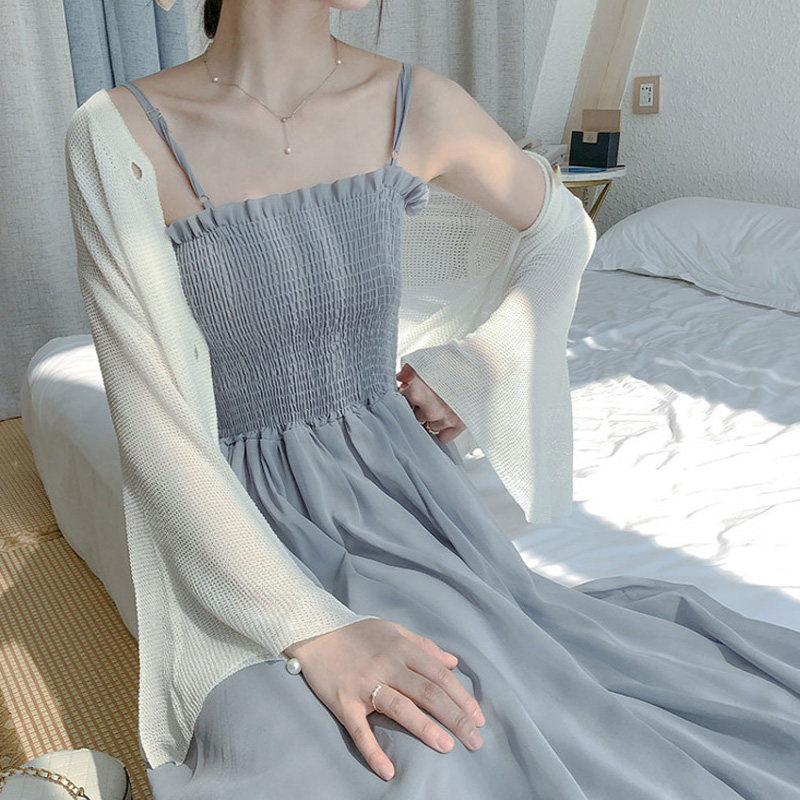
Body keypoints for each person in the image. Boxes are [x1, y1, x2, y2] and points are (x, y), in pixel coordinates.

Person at [94, 1, 800, 797]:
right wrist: (314, 630)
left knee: (460, 724)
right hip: (233, 520)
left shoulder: (412, 104)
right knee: (313, 744)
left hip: (400, 499)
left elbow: (563, 230)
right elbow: (154, 428)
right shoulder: (119, 133)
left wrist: (480, 363)